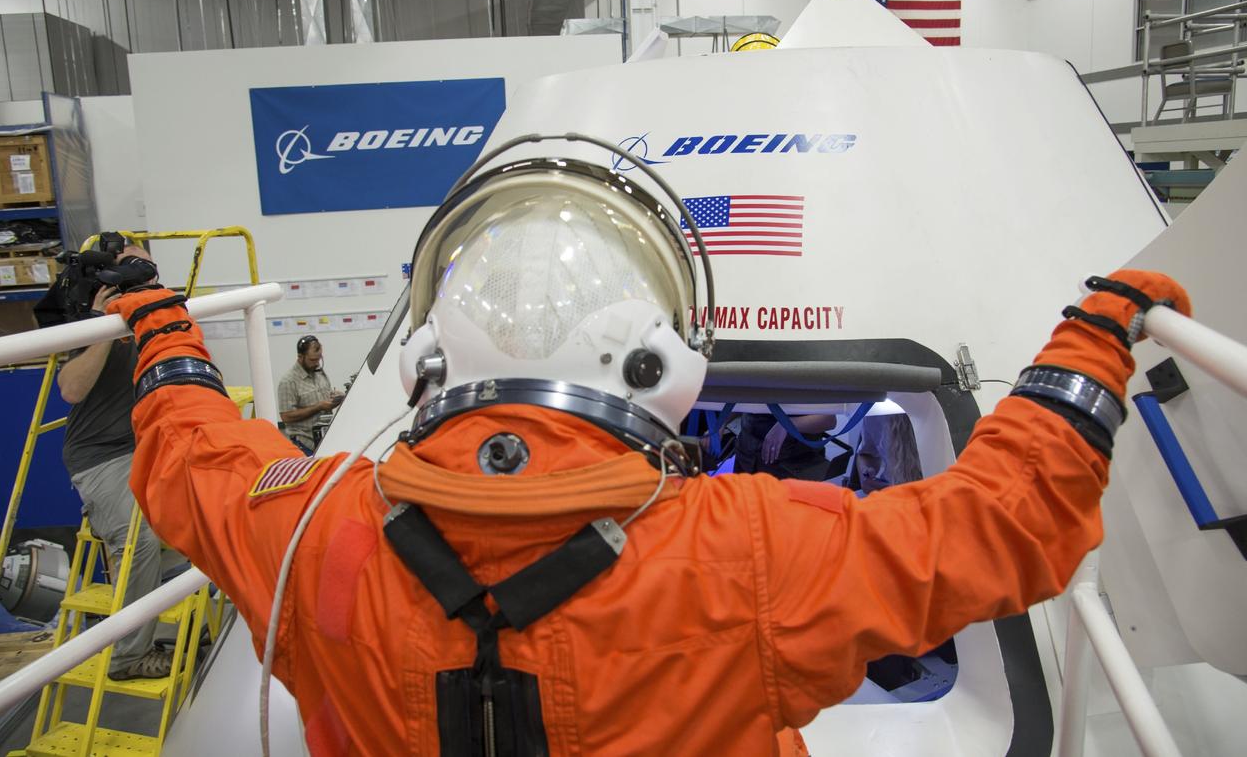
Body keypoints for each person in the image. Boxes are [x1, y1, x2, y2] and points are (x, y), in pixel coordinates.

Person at [104, 155, 1190, 755]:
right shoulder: (750, 551)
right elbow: (1003, 526)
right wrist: (1091, 338)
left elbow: (190, 450)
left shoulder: (303, 528)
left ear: (428, 359)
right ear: (656, 368)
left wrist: (154, 317)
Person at [57, 244, 171, 681]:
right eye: (125, 267)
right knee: (137, 542)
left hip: (144, 445)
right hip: (100, 456)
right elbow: (71, 390)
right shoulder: (88, 323)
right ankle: (129, 657)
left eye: (143, 266)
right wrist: (105, 325)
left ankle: (179, 612)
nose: (136, 275)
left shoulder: (151, 311)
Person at [276, 335, 343, 453]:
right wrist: (319, 406)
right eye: (312, 360)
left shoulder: (319, 372)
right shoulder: (288, 381)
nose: (316, 363)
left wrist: (335, 396)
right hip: (303, 444)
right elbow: (286, 416)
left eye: (319, 359)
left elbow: (324, 394)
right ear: (300, 357)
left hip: (325, 440)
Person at [734, 412, 838, 479]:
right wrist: (722, 420)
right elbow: (743, 396)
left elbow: (829, 419)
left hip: (789, 466)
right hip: (747, 456)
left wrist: (788, 425)